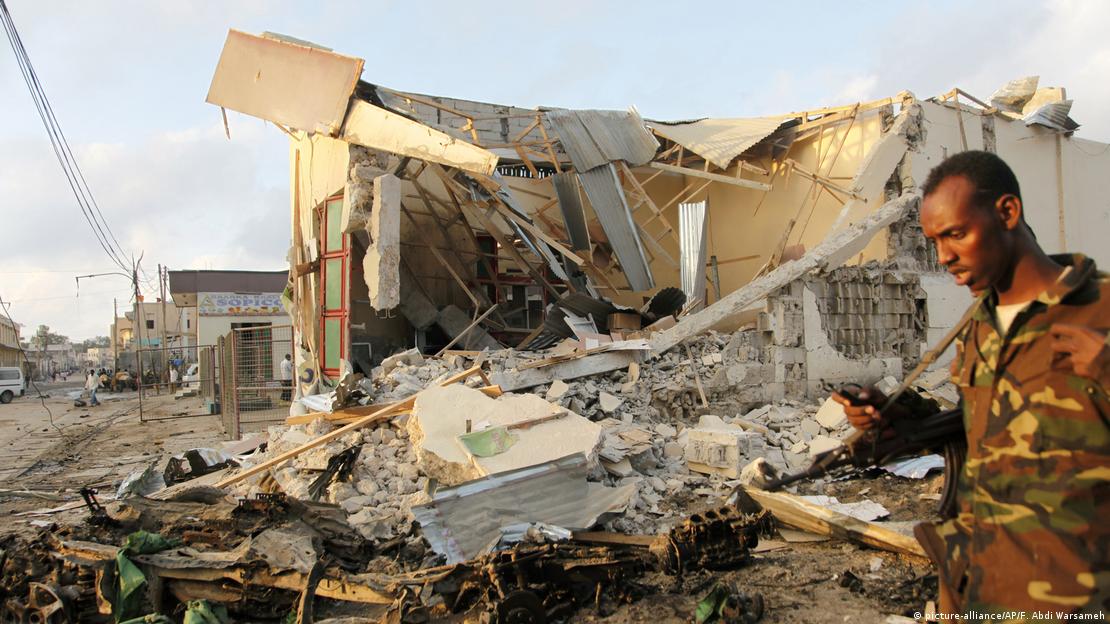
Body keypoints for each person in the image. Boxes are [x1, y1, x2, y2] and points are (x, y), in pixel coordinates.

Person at [834, 151, 1108, 617]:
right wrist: (901, 422)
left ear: (1007, 212)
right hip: (984, 587)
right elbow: (986, 434)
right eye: (934, 241)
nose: (945, 258)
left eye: (957, 234)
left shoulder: (1099, 310)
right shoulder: (977, 329)